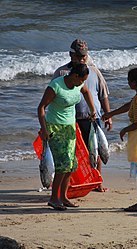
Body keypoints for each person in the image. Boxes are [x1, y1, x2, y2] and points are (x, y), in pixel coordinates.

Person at [53, 39, 112, 192]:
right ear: (71, 55)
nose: (82, 59)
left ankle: (97, 181)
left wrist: (108, 115)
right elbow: (52, 98)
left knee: (96, 151)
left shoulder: (93, 71)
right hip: (71, 120)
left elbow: (103, 94)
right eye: (78, 56)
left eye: (84, 56)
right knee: (73, 153)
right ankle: (74, 182)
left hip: (93, 118)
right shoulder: (62, 73)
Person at [38, 63, 96, 211]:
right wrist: (44, 129)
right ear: (75, 76)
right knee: (62, 165)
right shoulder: (56, 85)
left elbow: (86, 92)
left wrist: (93, 110)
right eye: (82, 79)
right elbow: (41, 108)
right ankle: (53, 198)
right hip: (55, 128)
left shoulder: (79, 84)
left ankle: (63, 197)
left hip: (70, 128)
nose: (83, 83)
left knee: (71, 165)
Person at [102, 68, 137, 212]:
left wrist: (124, 130)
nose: (128, 83)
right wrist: (111, 113)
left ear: (134, 82)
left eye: (128, 81)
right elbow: (129, 105)